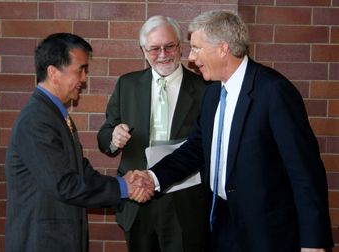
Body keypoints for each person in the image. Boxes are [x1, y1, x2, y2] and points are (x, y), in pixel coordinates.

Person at [139, 10, 334, 252]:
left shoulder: (274, 92)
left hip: (268, 234)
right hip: (220, 226)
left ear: (222, 48)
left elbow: (305, 173)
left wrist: (313, 243)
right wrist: (153, 177)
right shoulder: (212, 94)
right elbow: (196, 148)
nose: (191, 57)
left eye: (197, 48)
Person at [4, 33, 154, 252]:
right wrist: (124, 188)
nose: (84, 78)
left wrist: (126, 183)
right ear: (53, 73)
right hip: (42, 242)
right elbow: (65, 184)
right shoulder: (36, 120)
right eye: (80, 70)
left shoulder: (55, 115)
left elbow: (81, 172)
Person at [97, 16, 209, 252]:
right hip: (137, 198)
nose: (163, 54)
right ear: (143, 51)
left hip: (184, 200)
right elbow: (105, 134)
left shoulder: (205, 89)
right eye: (154, 49)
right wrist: (113, 139)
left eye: (169, 46)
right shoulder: (127, 84)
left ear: (181, 46)